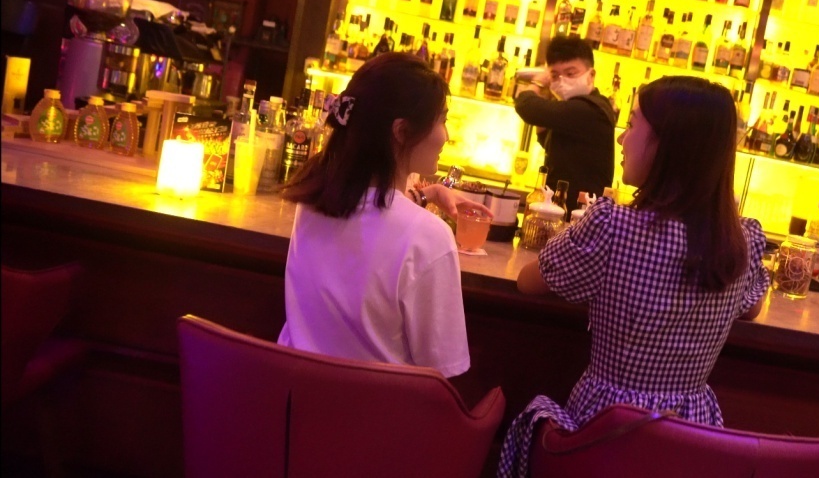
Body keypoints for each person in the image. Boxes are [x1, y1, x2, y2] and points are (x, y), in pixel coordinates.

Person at [497, 76, 771, 477]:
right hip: (690, 437)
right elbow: (752, 307)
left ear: (666, 144)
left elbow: (528, 281)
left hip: (610, 432)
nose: (622, 139)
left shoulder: (613, 227)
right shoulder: (741, 241)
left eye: (633, 124)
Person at [278, 52, 491, 378]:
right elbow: (441, 370)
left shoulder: (311, 202)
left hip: (295, 397)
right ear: (402, 131)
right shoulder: (429, 237)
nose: (446, 136)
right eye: (442, 120)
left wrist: (425, 194)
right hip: (378, 410)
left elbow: (375, 218)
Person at [514, 35, 615, 208]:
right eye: (555, 76)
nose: (562, 81)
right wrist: (547, 95)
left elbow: (526, 106)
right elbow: (547, 141)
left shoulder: (591, 109)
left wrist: (538, 83)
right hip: (562, 206)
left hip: (581, 213)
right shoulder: (574, 111)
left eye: (570, 73)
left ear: (591, 75)